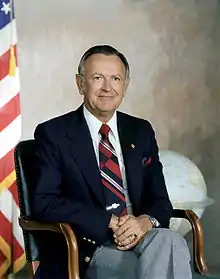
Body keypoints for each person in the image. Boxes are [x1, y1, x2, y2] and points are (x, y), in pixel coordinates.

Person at [31, 45, 192, 279]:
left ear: (125, 85)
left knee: (170, 240)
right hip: (88, 248)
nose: (107, 87)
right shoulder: (54, 133)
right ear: (80, 83)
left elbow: (160, 201)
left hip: (142, 237)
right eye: (97, 78)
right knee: (159, 266)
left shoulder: (140, 131)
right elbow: (43, 202)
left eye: (116, 78)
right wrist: (109, 222)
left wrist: (145, 222)